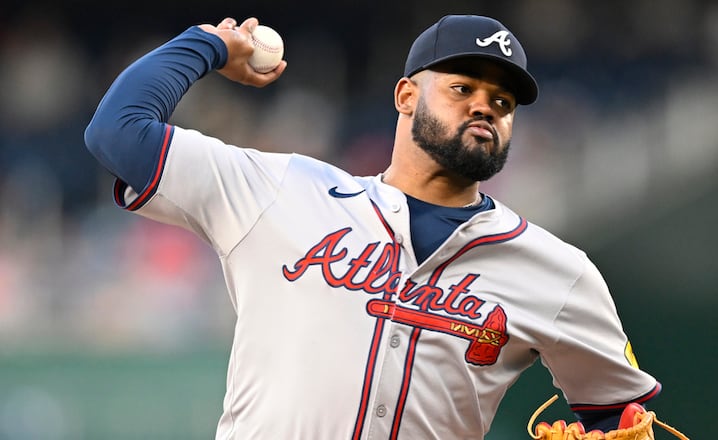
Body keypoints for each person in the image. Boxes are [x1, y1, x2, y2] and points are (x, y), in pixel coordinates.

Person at [85, 14, 661, 440]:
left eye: (503, 101)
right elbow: (116, 132)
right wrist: (207, 45)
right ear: (406, 96)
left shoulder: (557, 271)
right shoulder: (283, 191)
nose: (486, 107)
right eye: (463, 89)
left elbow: (621, 411)